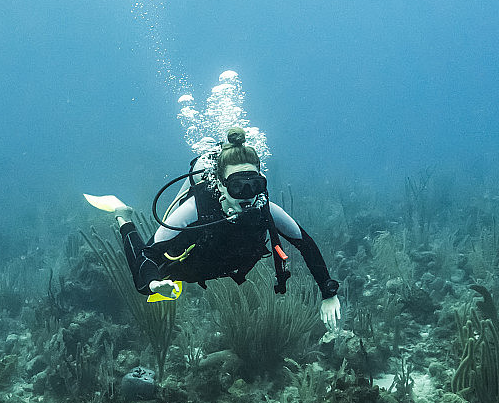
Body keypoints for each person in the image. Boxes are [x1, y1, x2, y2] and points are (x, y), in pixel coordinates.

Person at [88, 128, 341, 328]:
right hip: (185, 264)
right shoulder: (195, 210)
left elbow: (305, 242)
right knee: (142, 286)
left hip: (222, 263)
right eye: (237, 186)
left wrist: (328, 291)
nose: (248, 195)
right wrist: (154, 284)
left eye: (255, 184)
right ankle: (124, 216)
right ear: (220, 185)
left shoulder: (265, 208)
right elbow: (147, 256)